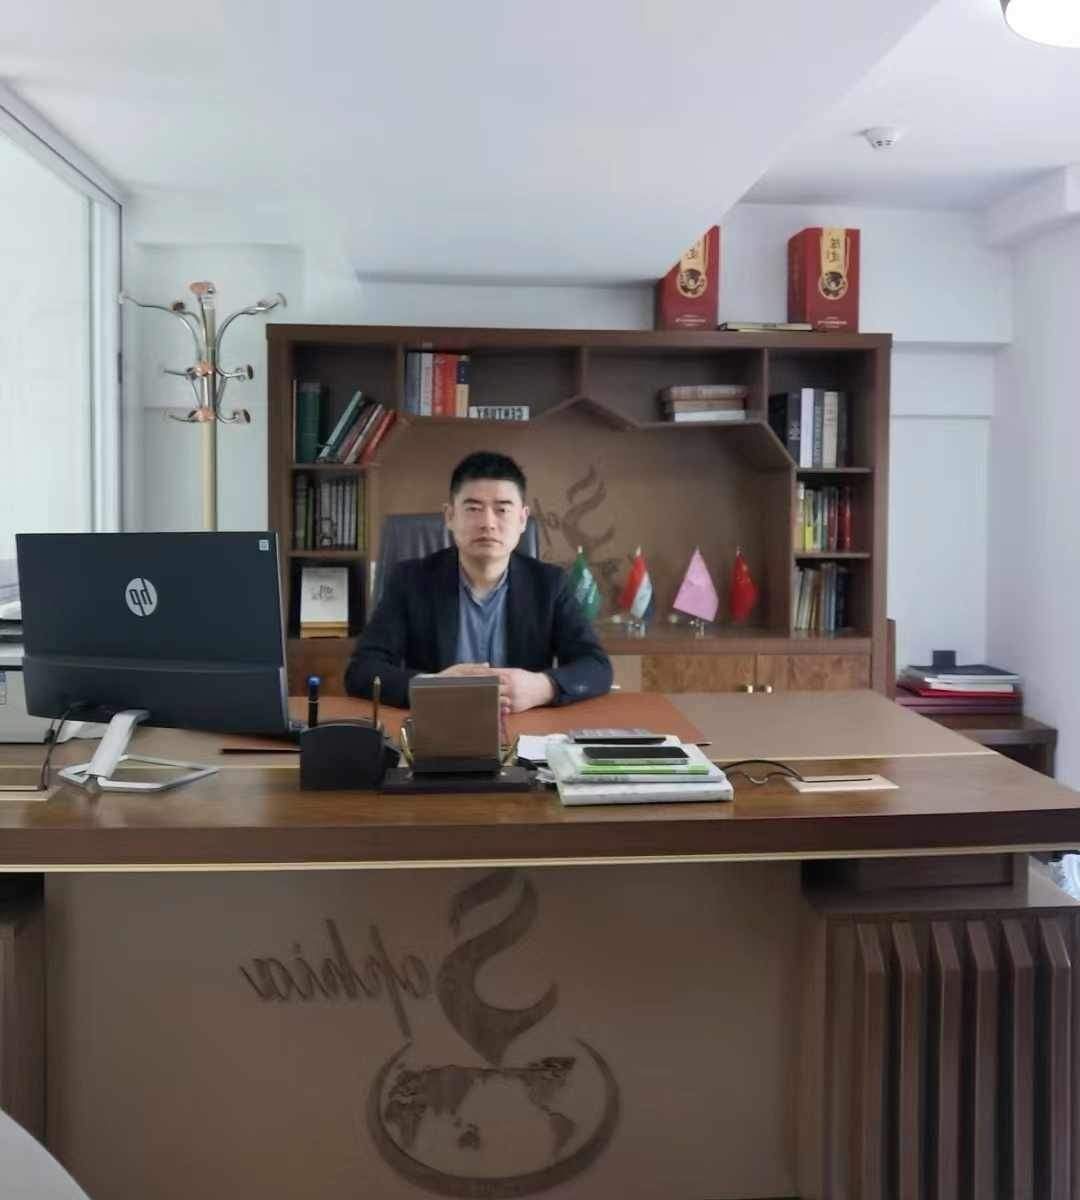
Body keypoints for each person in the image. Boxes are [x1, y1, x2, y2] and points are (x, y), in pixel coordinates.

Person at [345, 451, 612, 712]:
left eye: (502, 510)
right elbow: (362, 670)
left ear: (522, 519)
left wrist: (544, 686)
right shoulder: (410, 581)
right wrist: (430, 687)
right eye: (473, 509)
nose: (488, 523)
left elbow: (596, 666)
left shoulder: (550, 584)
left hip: (524, 732)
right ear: (450, 516)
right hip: (438, 726)